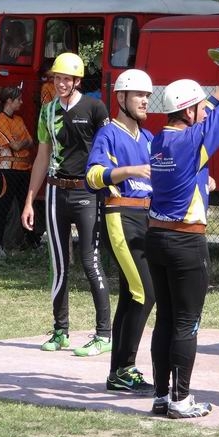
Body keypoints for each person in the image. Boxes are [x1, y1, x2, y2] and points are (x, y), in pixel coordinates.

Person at [148, 39, 219, 419]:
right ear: (188, 111)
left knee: (165, 319)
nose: (205, 110)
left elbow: (216, 98)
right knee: (187, 322)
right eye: (199, 107)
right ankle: (181, 400)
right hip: (186, 241)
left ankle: (161, 396)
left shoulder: (162, 138)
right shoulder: (195, 139)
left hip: (156, 237)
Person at [21, 52, 113, 356]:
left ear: (77, 81)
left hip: (87, 192)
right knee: (58, 264)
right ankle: (60, 331)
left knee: (90, 261)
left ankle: (104, 334)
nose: (60, 84)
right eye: (56, 78)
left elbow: (109, 148)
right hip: (55, 193)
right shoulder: (47, 111)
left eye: (66, 79)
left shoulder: (95, 108)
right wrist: (29, 201)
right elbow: (42, 156)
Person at [86, 68, 155, 395]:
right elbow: (92, 177)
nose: (145, 100)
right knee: (146, 292)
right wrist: (128, 171)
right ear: (122, 98)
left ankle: (119, 373)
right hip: (120, 215)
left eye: (147, 95)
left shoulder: (149, 137)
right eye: (139, 94)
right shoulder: (108, 134)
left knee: (131, 293)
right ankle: (124, 368)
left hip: (147, 218)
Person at [0, 86, 36, 257]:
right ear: (9, 101)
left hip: (23, 169)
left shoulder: (18, 119)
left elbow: (30, 142)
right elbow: (17, 145)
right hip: (7, 171)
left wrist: (21, 142)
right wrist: (21, 142)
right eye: (19, 100)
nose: (22, 102)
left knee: (27, 206)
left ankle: (32, 243)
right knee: (4, 207)